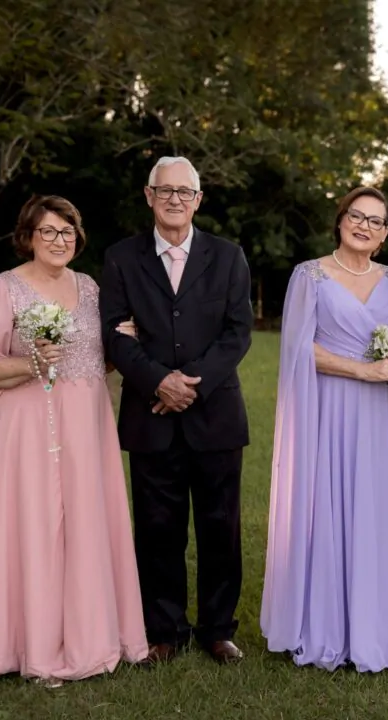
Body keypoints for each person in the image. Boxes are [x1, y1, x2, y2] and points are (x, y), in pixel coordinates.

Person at [0, 195, 148, 686]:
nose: (59, 240)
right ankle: (31, 646)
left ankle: (92, 638)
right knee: (33, 525)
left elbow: (100, 357)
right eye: (48, 232)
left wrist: (128, 340)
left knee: (85, 522)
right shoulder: (4, 288)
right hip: (24, 425)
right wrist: (34, 361)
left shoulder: (90, 288)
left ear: (77, 238)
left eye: (67, 232)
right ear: (28, 237)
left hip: (85, 422)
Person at [260, 186, 388, 672]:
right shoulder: (310, 275)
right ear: (340, 221)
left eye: (376, 221)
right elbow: (300, 349)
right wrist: (362, 370)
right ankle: (329, 625)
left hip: (384, 413)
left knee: (379, 508)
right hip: (332, 408)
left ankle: (381, 621)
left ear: (384, 235)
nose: (364, 226)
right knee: (332, 504)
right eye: (356, 216)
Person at [99, 156, 253, 664]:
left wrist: (192, 384)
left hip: (215, 416)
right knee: (157, 528)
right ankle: (164, 629)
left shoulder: (229, 257)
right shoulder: (121, 258)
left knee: (220, 527)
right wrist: (158, 382)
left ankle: (217, 629)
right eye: (164, 190)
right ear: (148, 196)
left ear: (198, 200)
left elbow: (237, 332)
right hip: (151, 415)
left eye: (184, 192)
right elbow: (114, 333)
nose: (174, 199)